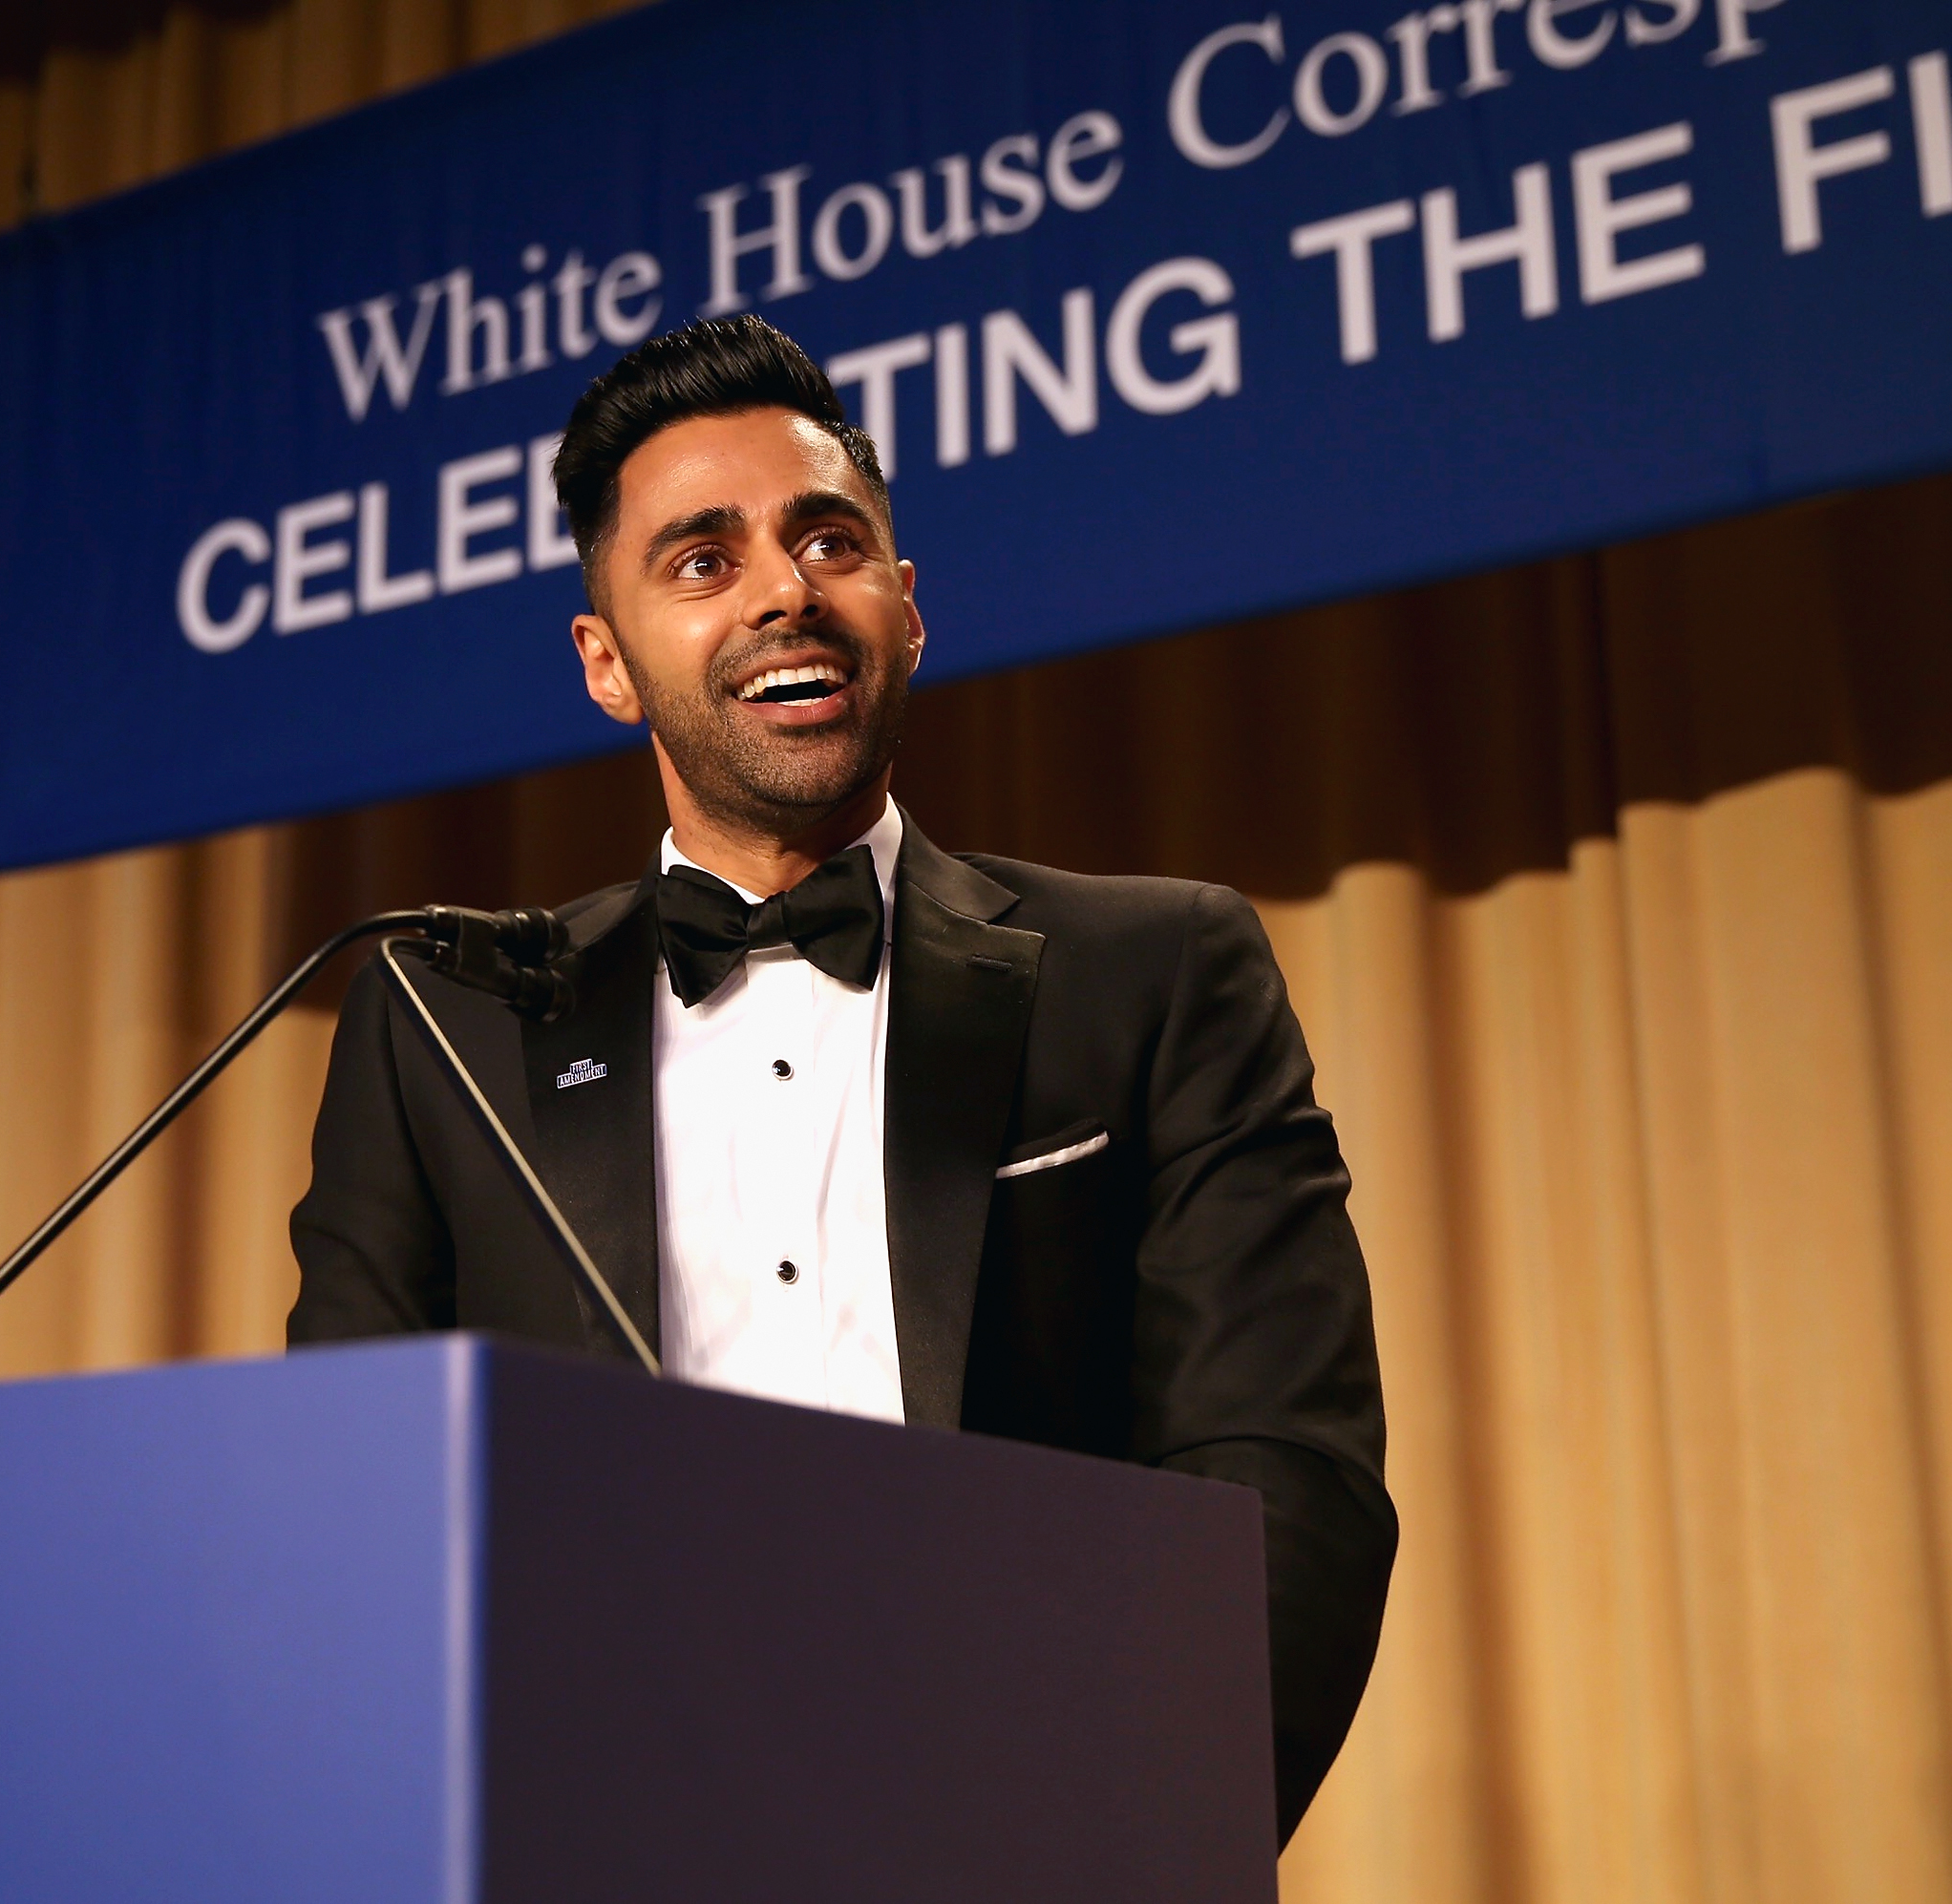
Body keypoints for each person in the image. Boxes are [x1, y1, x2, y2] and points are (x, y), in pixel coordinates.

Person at [287, 313, 1395, 1842]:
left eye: (830, 540)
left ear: (908, 605)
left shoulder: (1157, 971)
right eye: (702, 558)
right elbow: (352, 1524)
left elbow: (1285, 1481)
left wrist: (1125, 1845)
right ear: (606, 663)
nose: (784, 590)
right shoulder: (443, 1028)